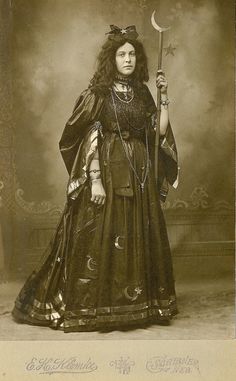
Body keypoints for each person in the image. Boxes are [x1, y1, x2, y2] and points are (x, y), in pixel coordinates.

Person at [12, 25, 179, 332]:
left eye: (132, 54)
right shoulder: (97, 94)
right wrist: (96, 179)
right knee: (104, 234)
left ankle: (137, 305)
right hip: (107, 173)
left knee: (137, 232)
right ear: (111, 59)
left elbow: (159, 132)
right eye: (121, 54)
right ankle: (99, 306)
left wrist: (164, 95)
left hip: (139, 175)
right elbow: (83, 134)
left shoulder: (143, 93)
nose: (127, 59)